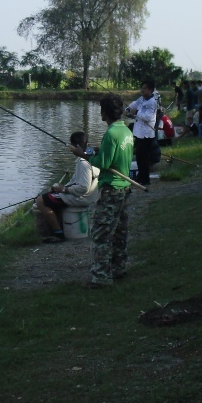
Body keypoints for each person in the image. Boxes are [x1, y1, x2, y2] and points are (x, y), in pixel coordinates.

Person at [70, 94, 134, 288]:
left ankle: (101, 278)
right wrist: (96, 150)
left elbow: (103, 164)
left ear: (104, 112)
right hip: (124, 188)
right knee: (119, 232)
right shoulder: (125, 131)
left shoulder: (111, 133)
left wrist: (82, 154)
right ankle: (118, 268)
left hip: (111, 189)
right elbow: (112, 155)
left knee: (101, 233)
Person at [35, 131, 100, 242]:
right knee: (50, 195)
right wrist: (60, 188)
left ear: (75, 147)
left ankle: (58, 234)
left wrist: (64, 189)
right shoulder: (91, 156)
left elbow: (83, 188)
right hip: (90, 196)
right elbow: (78, 180)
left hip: (82, 198)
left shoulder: (83, 162)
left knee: (40, 201)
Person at [126, 78, 158, 186]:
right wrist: (128, 109)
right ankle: (141, 177)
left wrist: (135, 114)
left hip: (146, 134)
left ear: (150, 90)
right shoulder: (142, 99)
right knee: (139, 156)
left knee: (143, 157)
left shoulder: (152, 102)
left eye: (145, 89)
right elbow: (134, 104)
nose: (142, 90)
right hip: (139, 133)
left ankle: (145, 179)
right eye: (142, 88)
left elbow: (148, 117)